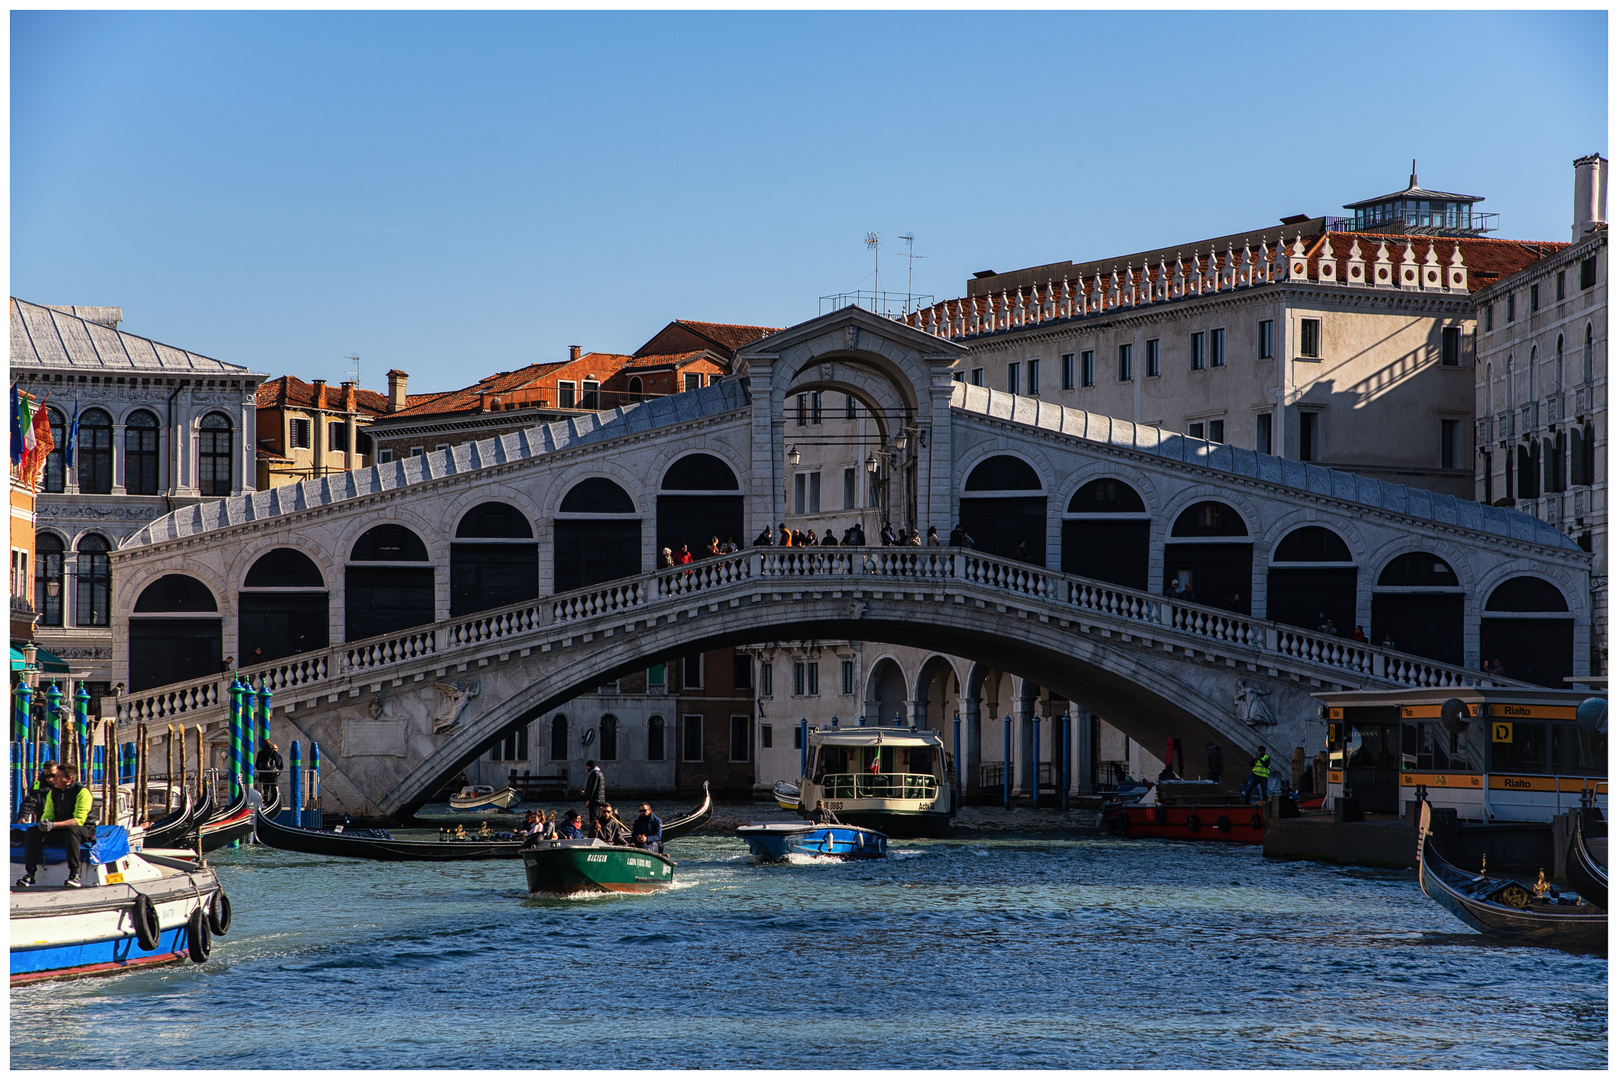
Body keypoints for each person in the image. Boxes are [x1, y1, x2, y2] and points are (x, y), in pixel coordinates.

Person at [18, 763, 93, 888]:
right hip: (59, 828)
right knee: (33, 831)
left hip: (84, 829)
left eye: (57, 776)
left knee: (72, 830)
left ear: (69, 779)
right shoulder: (53, 793)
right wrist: (45, 824)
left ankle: (74, 874)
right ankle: (30, 874)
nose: (53, 779)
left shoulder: (82, 792)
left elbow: (79, 820)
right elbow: (47, 814)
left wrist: (53, 825)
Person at [255, 740, 284, 806]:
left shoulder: (260, 753)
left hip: (264, 773)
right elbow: (277, 762)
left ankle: (265, 801)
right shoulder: (273, 752)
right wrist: (278, 770)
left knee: (265, 788)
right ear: (271, 745)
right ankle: (273, 801)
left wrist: (261, 771)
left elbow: (257, 764)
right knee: (273, 787)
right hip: (272, 773)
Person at [582, 759, 607, 826]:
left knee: (594, 819)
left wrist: (588, 799)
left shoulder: (594, 774)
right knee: (598, 818)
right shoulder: (600, 773)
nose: (587, 769)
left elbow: (592, 787)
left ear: (590, 766)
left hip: (594, 800)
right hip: (600, 799)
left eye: (587, 767)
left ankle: (594, 832)